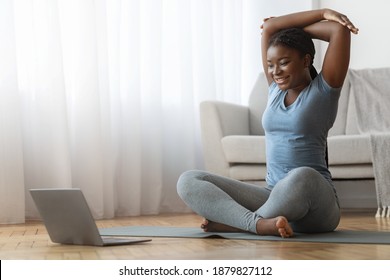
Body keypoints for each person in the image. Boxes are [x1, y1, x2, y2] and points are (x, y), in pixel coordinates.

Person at [177, 9, 358, 238]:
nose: (276, 72)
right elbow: (270, 28)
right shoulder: (274, 89)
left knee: (303, 175)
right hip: (274, 199)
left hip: (316, 205)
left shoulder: (324, 90)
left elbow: (337, 30)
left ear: (306, 60)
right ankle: (260, 224)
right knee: (189, 180)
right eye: (271, 65)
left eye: (283, 63)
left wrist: (314, 20)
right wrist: (306, 22)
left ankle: (240, 223)